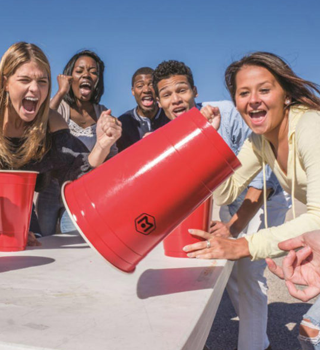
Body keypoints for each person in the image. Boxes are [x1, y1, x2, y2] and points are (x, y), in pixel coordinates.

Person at [182, 52, 320, 350]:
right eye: (244, 93)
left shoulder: (311, 126)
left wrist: (243, 245)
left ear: (286, 95)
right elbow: (226, 191)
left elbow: (317, 217)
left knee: (313, 332)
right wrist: (210, 140)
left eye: (264, 90)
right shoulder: (259, 141)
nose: (253, 99)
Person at [153, 59, 289, 350]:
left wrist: (232, 226)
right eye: (167, 94)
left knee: (250, 272)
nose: (176, 99)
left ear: (195, 90)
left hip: (266, 196)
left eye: (182, 90)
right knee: (231, 274)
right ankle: (259, 338)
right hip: (233, 198)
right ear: (159, 101)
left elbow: (263, 181)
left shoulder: (226, 115)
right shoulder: (172, 133)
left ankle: (253, 346)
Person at [0, 42, 121, 249]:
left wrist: (102, 146)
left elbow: (76, 172)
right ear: (6, 82)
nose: (34, 88)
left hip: (19, 216)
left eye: (42, 81)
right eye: (24, 79)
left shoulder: (52, 123)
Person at [36, 50, 118, 235]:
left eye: (93, 71)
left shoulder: (102, 112)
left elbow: (112, 155)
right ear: (69, 76)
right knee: (46, 241)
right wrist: (61, 92)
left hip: (82, 191)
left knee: (76, 240)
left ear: (98, 80)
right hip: (51, 187)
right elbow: (41, 123)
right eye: (79, 70)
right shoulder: (59, 106)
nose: (86, 74)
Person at [116, 67, 168, 152]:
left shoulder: (170, 116)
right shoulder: (122, 124)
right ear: (133, 91)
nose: (146, 90)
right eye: (140, 86)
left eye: (151, 84)